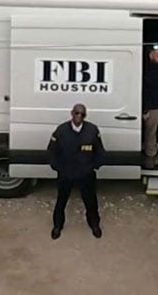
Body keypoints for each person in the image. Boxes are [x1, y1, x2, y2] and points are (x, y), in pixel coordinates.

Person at [47, 103, 106, 240]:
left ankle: (94, 225)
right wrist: (57, 167)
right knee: (61, 201)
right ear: (71, 113)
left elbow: (100, 152)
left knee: (91, 201)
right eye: (77, 113)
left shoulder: (92, 130)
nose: (79, 116)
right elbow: (51, 151)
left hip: (85, 174)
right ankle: (57, 226)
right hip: (66, 173)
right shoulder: (61, 130)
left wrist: (94, 166)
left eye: (82, 114)